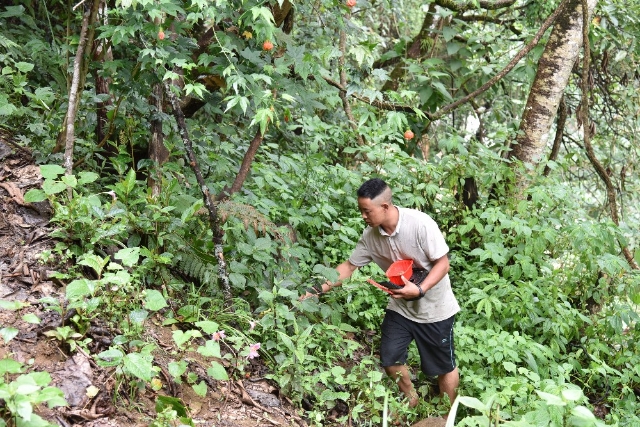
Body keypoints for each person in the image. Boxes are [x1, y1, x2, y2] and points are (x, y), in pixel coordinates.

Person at [306, 178, 460, 409]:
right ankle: (412, 401)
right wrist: (315, 290)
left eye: (367, 211)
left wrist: (419, 289)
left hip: (435, 309)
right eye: (361, 211)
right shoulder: (370, 237)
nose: (363, 217)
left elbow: (443, 264)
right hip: (400, 308)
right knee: (390, 358)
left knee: (443, 366)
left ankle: (447, 415)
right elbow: (348, 267)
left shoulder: (420, 224)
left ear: (385, 207)